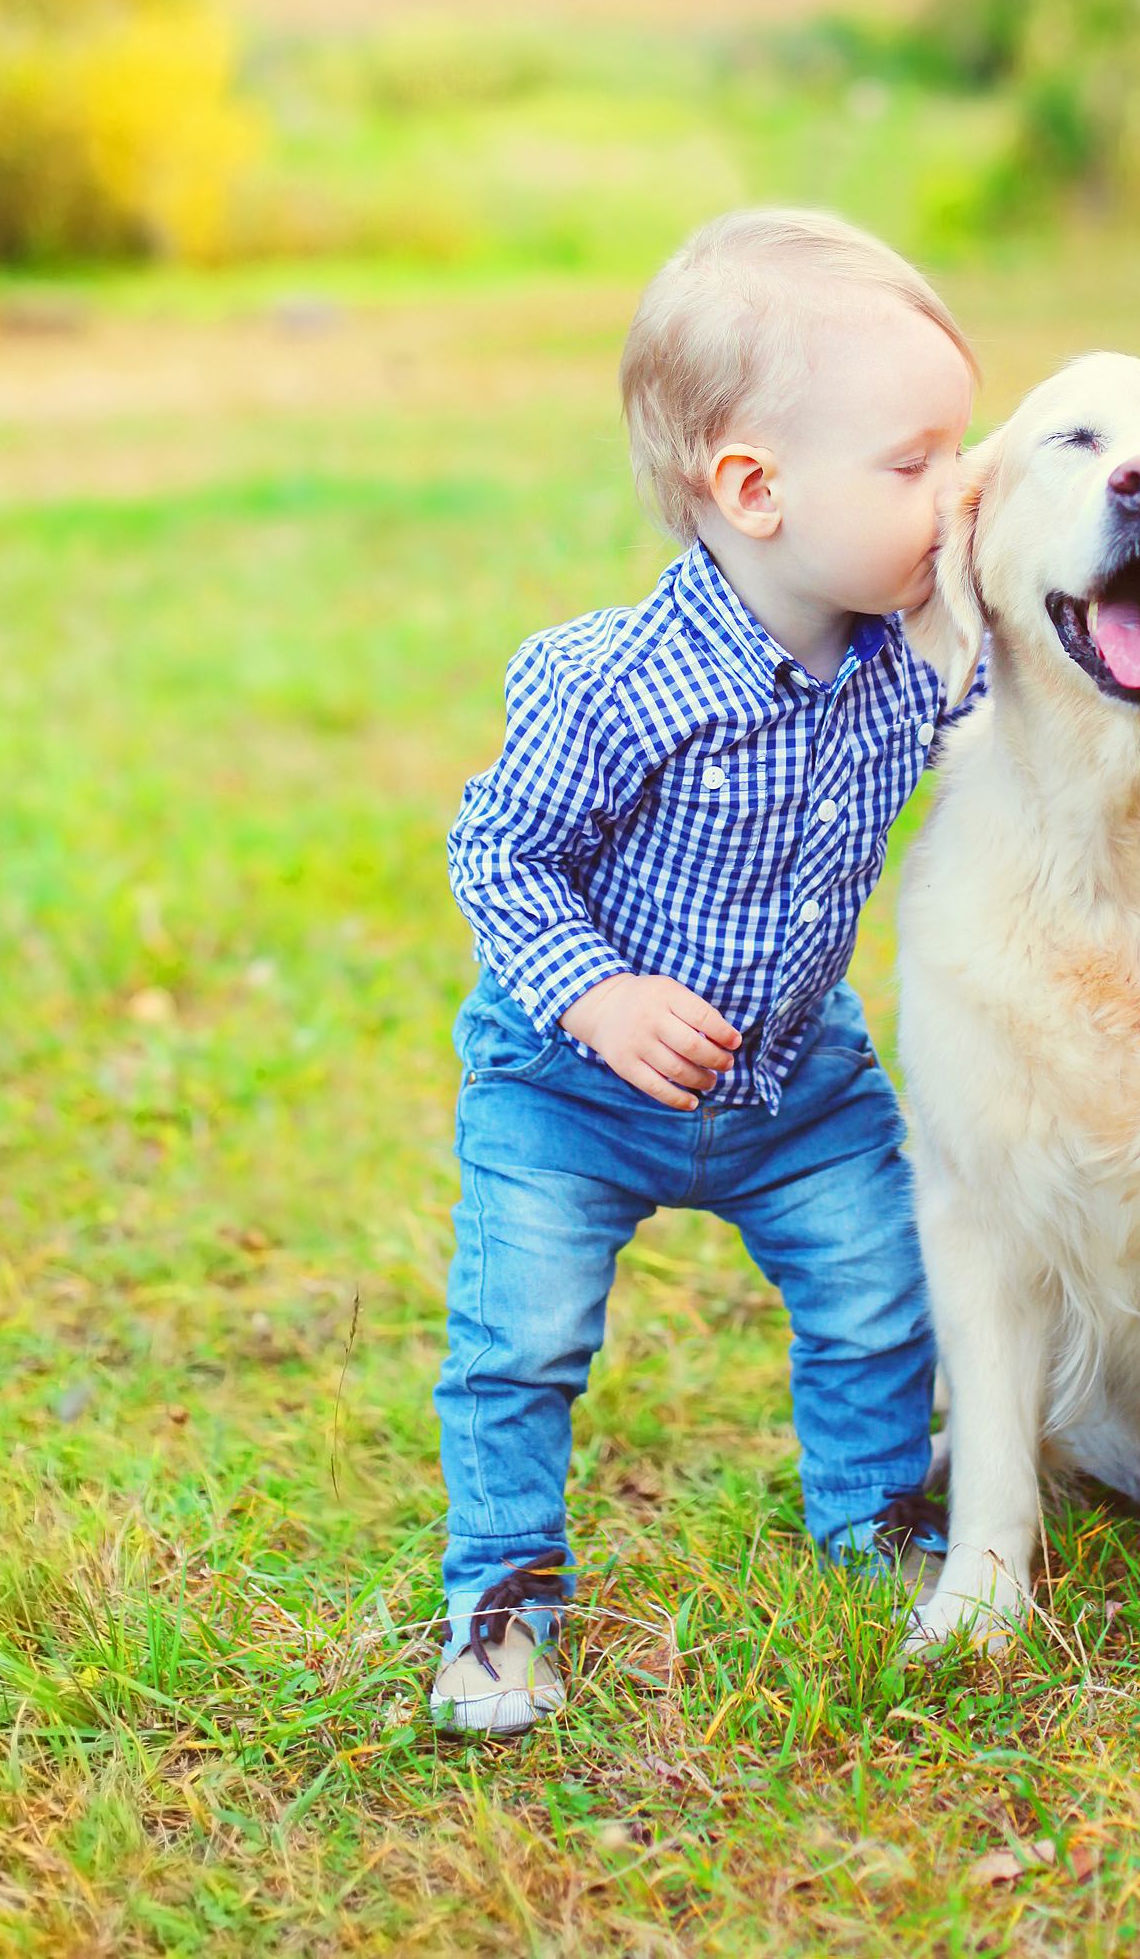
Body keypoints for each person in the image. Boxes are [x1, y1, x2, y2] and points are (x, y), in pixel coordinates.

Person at [430, 208, 982, 1735]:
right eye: (915, 461)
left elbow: (1049, 701)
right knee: (520, 1337)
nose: (963, 492)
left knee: (880, 1296)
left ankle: (874, 1531)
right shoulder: (607, 680)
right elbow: (498, 853)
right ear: (752, 490)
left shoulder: (919, 656)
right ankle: (500, 1603)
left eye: (964, 449)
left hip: (795, 1080)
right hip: (572, 1085)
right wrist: (597, 994)